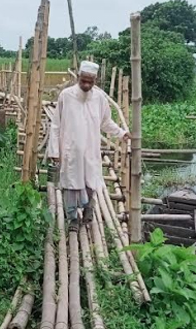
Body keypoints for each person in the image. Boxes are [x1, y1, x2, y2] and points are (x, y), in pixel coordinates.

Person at [46, 61, 129, 232]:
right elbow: (56, 125)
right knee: (70, 184)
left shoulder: (99, 98)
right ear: (78, 77)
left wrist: (121, 133)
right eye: (83, 81)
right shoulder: (66, 96)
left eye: (90, 82)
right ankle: (73, 219)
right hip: (71, 149)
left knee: (90, 182)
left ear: (95, 81)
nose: (86, 85)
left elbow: (106, 122)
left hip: (91, 149)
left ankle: (88, 210)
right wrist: (54, 150)